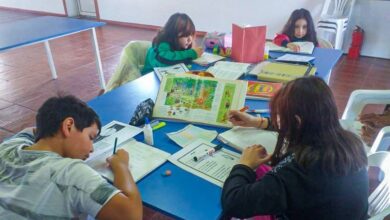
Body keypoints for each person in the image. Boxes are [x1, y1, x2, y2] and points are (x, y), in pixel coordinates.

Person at [221, 77, 368, 220]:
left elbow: (233, 203)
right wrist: (258, 122)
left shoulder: (299, 170)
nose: (277, 120)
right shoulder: (349, 140)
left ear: (297, 122)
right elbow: (300, 123)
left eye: (279, 116)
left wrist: (244, 165)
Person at [0, 95, 142, 219]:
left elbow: (31, 130)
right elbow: (131, 216)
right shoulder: (69, 173)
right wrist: (122, 167)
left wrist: (49, 127)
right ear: (68, 126)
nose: (92, 148)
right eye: (90, 137)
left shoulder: (8, 147)